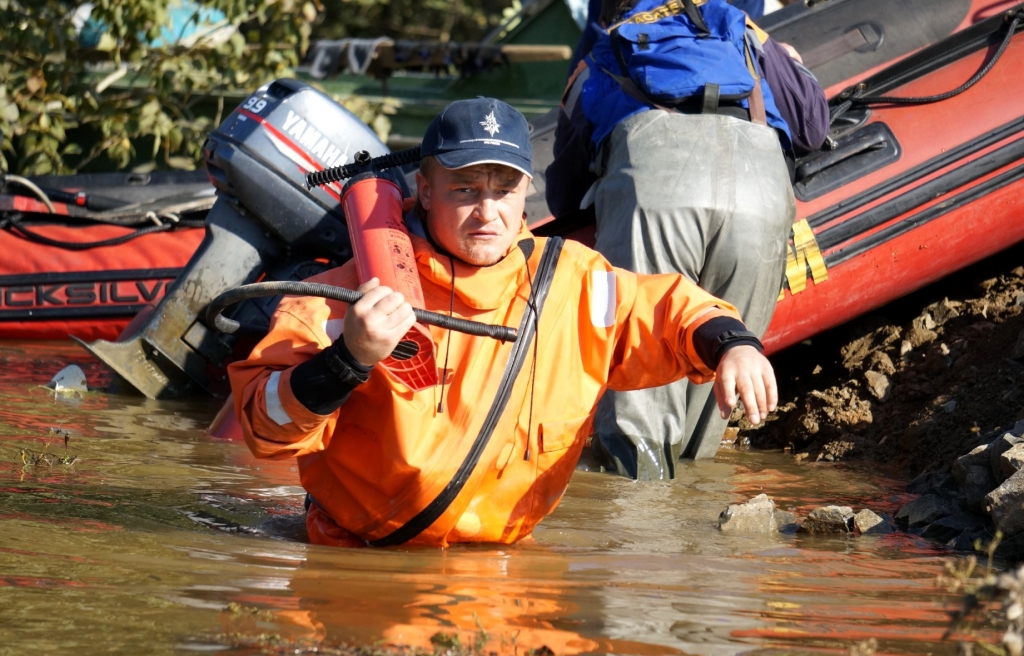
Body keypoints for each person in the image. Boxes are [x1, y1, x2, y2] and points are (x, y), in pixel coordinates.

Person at [229, 97, 778, 548]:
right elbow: (264, 431)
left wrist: (734, 344)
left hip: (499, 571)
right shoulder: (341, 296)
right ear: (425, 191)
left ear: (525, 195)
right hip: (354, 563)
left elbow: (668, 309)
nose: (487, 212)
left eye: (503, 190)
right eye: (465, 189)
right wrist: (347, 358)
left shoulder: (576, 282)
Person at [546, 0, 829, 478]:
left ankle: (635, 532)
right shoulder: (744, 31)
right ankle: (694, 523)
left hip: (656, 201)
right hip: (760, 201)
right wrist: (792, 63)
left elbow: (561, 197)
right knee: (720, 372)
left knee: (640, 411)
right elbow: (814, 127)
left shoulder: (601, 52)